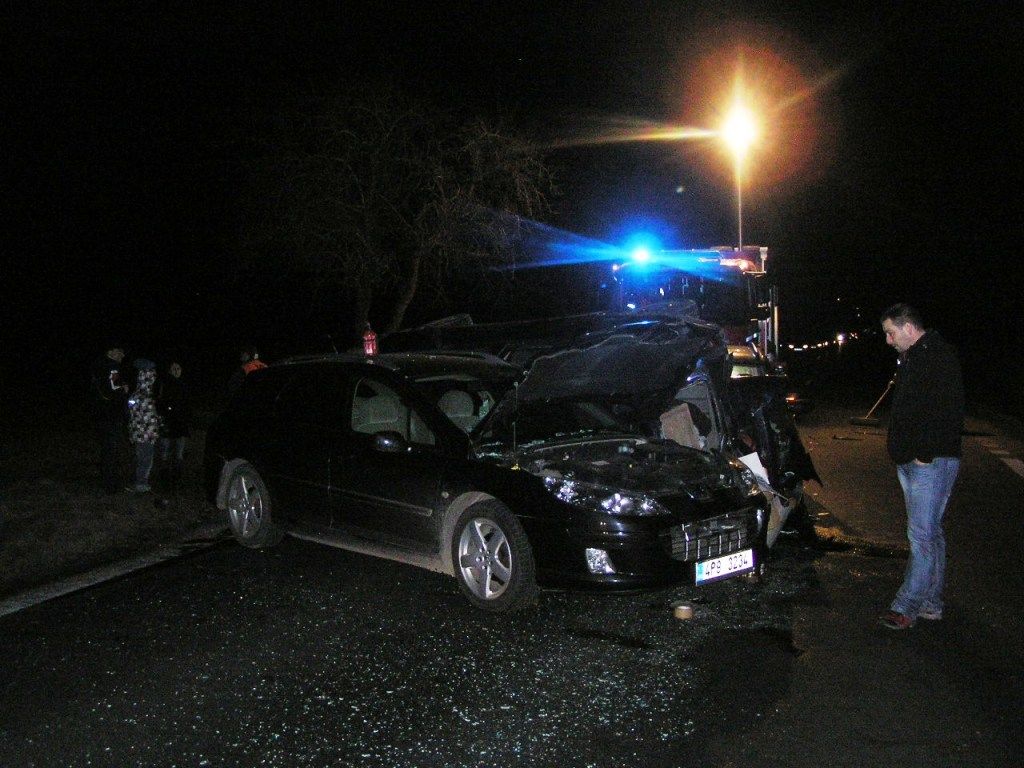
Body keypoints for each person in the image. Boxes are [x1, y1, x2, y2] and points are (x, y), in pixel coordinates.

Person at [878, 303, 964, 630]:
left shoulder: (937, 357)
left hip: (930, 462)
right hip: (915, 460)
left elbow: (947, 410)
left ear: (909, 328)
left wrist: (924, 454)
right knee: (931, 534)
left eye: (891, 333)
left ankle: (906, 606)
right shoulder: (914, 357)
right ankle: (931, 603)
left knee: (921, 536)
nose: (888, 340)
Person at [90, 344, 130, 494]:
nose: (122, 355)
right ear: (111, 352)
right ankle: (110, 484)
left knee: (107, 448)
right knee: (111, 449)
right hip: (111, 414)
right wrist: (123, 389)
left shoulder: (98, 367)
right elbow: (113, 389)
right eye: (120, 352)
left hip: (101, 414)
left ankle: (107, 480)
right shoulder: (112, 367)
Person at [155, 361, 191, 499]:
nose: (176, 371)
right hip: (167, 423)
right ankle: (164, 480)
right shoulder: (164, 384)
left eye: (178, 368)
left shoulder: (184, 385)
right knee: (165, 452)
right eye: (174, 368)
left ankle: (176, 481)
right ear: (169, 370)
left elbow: (187, 405)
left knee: (179, 454)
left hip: (180, 425)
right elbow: (160, 403)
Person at [126, 358, 162, 493]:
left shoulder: (135, 395)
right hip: (145, 435)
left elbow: (132, 413)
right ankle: (141, 484)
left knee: (141, 458)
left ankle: (139, 482)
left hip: (138, 433)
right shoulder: (146, 397)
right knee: (145, 460)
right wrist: (157, 424)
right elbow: (149, 418)